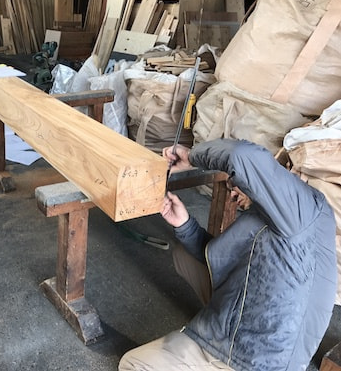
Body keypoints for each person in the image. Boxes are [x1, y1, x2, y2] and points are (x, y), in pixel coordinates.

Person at [119, 138, 337, 371]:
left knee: (134, 365)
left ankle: (209, 350)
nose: (232, 193)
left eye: (234, 182)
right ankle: (211, 331)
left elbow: (241, 155)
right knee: (184, 255)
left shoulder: (304, 209)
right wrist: (184, 225)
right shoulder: (281, 218)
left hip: (255, 362)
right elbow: (223, 259)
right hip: (245, 337)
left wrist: (190, 157)